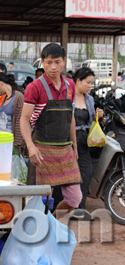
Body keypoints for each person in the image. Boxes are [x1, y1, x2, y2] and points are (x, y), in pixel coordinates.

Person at [20, 43, 82, 216]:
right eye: (48, 62)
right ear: (42, 62)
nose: (53, 67)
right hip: (41, 151)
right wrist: (31, 147)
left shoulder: (70, 85)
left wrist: (74, 147)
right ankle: (35, 233)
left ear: (64, 62)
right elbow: (24, 120)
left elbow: (70, 118)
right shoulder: (35, 87)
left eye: (57, 62)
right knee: (38, 201)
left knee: (74, 198)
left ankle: (52, 221)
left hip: (65, 151)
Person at [72, 67, 103, 219]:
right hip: (70, 141)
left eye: (92, 83)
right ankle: (65, 208)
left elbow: (91, 120)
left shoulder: (89, 99)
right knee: (68, 176)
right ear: (78, 81)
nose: (90, 86)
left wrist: (98, 116)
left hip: (85, 141)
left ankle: (80, 209)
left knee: (85, 173)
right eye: (88, 82)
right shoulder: (67, 96)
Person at [0, 73, 28, 156]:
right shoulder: (4, 97)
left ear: (0, 83)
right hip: (0, 141)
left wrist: (17, 145)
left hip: (11, 143)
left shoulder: (18, 97)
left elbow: (20, 121)